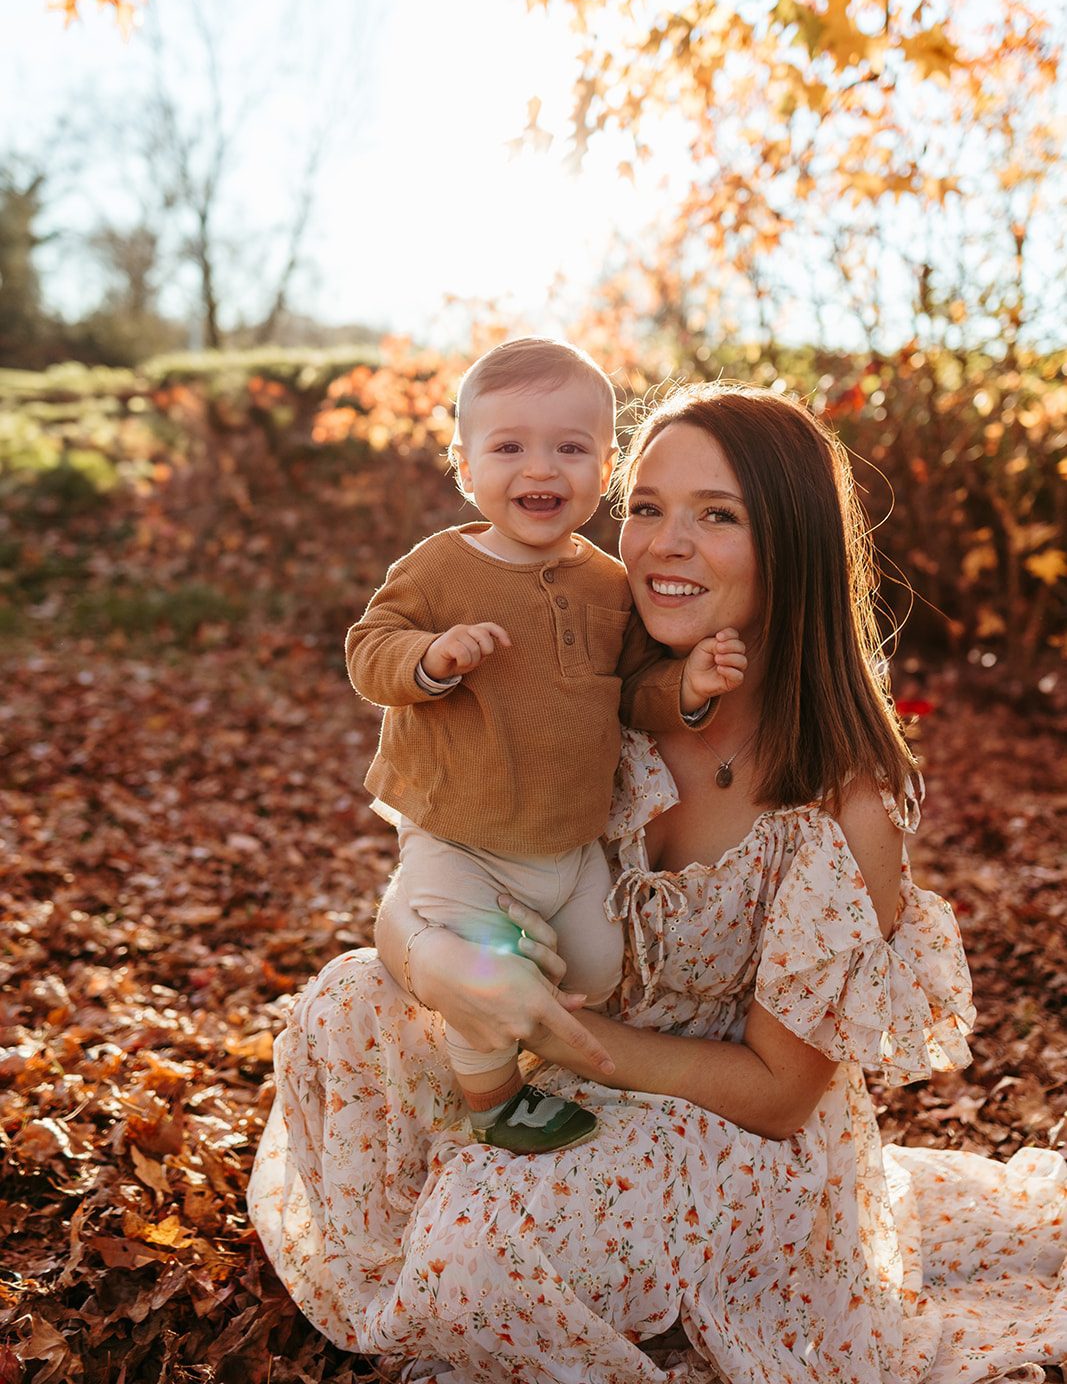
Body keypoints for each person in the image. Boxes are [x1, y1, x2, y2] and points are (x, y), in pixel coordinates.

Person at [248, 381, 1067, 1384]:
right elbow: (434, 869)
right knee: (343, 1002)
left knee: (475, 1250)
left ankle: (517, 1246)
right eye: (645, 507)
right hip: (551, 1058)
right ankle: (467, 1232)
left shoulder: (844, 805)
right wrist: (436, 961)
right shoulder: (601, 700)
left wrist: (558, 1034)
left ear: (792, 544)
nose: (661, 546)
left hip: (725, 1130)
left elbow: (779, 1095)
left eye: (715, 515)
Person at [344, 338, 746, 1153]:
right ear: (464, 468)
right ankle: (492, 1100)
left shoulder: (607, 583)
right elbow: (367, 648)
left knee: (595, 969)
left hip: (567, 840)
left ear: (604, 470)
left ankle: (533, 1041)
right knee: (486, 973)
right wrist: (428, 659)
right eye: (508, 448)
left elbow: (631, 691)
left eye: (569, 448)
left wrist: (688, 686)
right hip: (459, 834)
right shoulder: (439, 567)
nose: (540, 468)